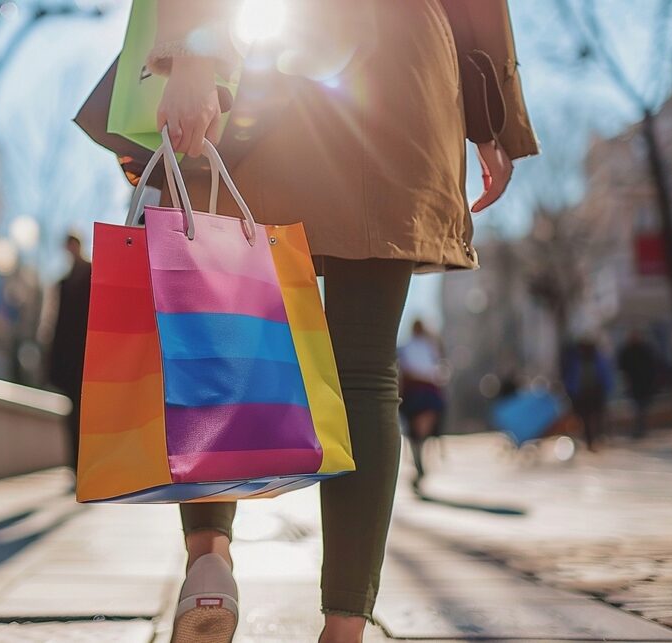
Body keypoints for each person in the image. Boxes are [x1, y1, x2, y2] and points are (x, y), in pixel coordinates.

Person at [130, 2, 537, 641]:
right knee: (366, 366)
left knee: (224, 335)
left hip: (262, 70)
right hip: (402, 73)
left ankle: (209, 561)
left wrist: (190, 55)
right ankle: (343, 630)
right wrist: (494, 118)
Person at [47, 235, 92, 471]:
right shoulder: (63, 283)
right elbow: (56, 323)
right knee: (73, 413)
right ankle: (76, 465)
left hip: (90, 356)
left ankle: (87, 463)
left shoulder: (93, 274)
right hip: (70, 359)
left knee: (88, 413)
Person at [397, 320, 446, 494]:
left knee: (416, 434)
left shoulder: (408, 348)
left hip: (415, 391)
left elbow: (403, 371)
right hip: (427, 391)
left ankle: (419, 464)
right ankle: (419, 464)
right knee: (421, 433)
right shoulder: (429, 347)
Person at [561, 337, 614, 452]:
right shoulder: (576, 360)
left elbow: (605, 375)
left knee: (597, 417)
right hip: (582, 394)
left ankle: (597, 438)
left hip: (595, 393)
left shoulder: (597, 359)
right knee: (586, 418)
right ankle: (591, 441)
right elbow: (570, 378)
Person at [617, 329, 659, 440]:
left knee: (641, 407)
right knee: (638, 408)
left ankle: (640, 428)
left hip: (643, 385)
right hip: (636, 385)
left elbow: (652, 367)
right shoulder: (628, 351)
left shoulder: (643, 350)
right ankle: (639, 428)